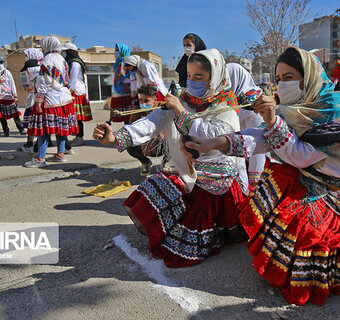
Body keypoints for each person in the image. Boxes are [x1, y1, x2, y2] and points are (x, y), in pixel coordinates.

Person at [183, 47, 340, 306]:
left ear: (307, 79)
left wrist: (272, 121)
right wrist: (216, 143)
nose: (282, 84)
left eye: (289, 77)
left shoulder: (331, 110)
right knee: (274, 183)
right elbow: (261, 137)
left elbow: (300, 155)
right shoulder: (294, 109)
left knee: (304, 228)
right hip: (316, 181)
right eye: (279, 78)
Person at [93, 49, 249, 268]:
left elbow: (213, 138)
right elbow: (152, 122)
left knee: (195, 214)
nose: (192, 81)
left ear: (214, 77)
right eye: (189, 75)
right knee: (156, 185)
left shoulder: (227, 105)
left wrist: (182, 114)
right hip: (189, 164)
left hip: (218, 169)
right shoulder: (183, 99)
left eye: (199, 77)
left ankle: (222, 229)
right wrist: (116, 138)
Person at [24, 36, 78, 168]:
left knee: (44, 130)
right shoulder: (62, 59)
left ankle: (40, 158)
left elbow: (43, 82)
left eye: (43, 46)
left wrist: (38, 100)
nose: (42, 49)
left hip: (51, 99)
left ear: (47, 46)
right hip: (64, 99)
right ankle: (60, 154)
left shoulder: (46, 60)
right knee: (60, 129)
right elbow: (65, 79)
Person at [227, 62, 266, 187]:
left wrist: (254, 179)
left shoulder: (254, 106)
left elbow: (258, 146)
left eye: (228, 80)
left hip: (254, 168)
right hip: (241, 159)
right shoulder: (235, 101)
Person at [62, 42, 92, 147]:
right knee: (75, 116)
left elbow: (73, 79)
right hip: (74, 90)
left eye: (65, 51)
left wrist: (69, 92)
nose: (63, 53)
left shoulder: (74, 63)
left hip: (76, 91)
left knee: (78, 117)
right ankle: (77, 136)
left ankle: (80, 137)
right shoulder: (70, 62)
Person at [0, 56, 25, 136]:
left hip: (7, 95)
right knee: (1, 115)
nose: (0, 64)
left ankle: (21, 129)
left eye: (1, 62)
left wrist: (15, 95)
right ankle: (6, 130)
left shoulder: (7, 72)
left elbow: (12, 84)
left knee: (15, 113)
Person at [19, 48, 44, 153]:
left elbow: (41, 88)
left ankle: (37, 147)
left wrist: (31, 88)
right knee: (32, 123)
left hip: (37, 102)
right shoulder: (32, 72)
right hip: (32, 100)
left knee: (38, 124)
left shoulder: (40, 72)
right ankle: (31, 144)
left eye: (27, 55)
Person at [110, 43, 134, 123]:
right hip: (121, 91)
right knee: (126, 116)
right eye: (116, 50)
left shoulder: (126, 61)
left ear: (123, 51)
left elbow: (125, 75)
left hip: (127, 90)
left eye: (117, 50)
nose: (116, 52)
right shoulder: (118, 62)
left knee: (129, 116)